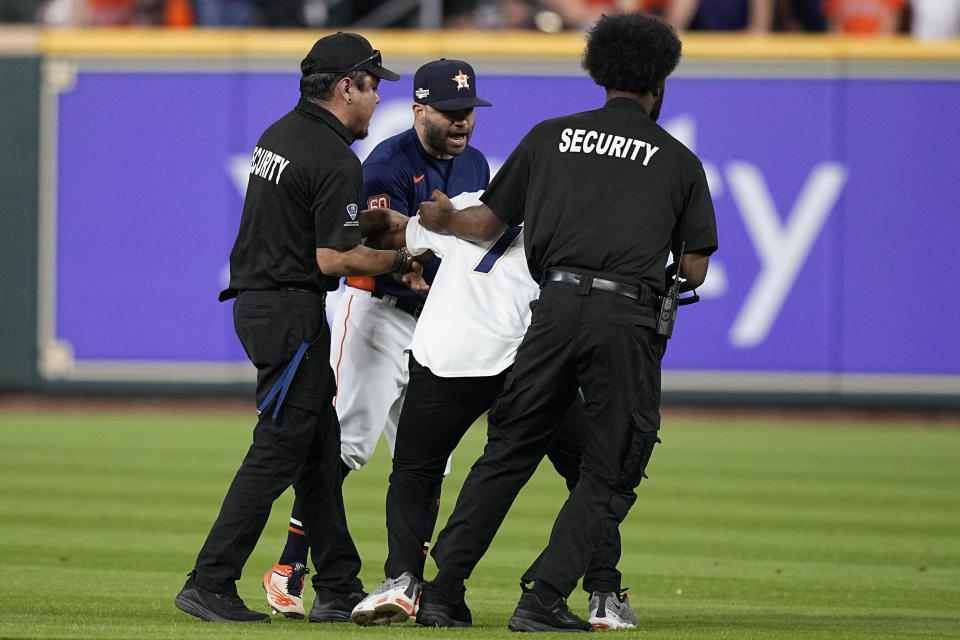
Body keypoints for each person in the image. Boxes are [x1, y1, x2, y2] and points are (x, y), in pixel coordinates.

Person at [416, 12, 718, 632]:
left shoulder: (549, 136)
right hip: (624, 319)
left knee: (507, 451)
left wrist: (442, 221)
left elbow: (488, 224)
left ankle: (442, 592)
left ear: (599, 73)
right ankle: (545, 595)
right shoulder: (680, 161)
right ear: (658, 83)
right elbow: (694, 269)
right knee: (611, 466)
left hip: (550, 310)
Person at [173, 32, 414, 624]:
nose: (378, 96)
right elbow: (335, 259)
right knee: (279, 449)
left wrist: (372, 225)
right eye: (372, 84)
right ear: (345, 87)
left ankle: (336, 585)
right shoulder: (334, 157)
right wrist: (406, 261)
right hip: (289, 314)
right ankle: (210, 581)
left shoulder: (280, 133)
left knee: (318, 450)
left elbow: (312, 226)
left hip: (264, 304)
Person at [261, 58, 492, 619]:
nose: (462, 123)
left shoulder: (477, 165)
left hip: (436, 320)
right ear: (419, 110)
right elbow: (364, 249)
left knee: (429, 456)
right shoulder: (387, 164)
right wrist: (412, 266)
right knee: (349, 444)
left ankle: (406, 580)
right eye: (450, 112)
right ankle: (291, 567)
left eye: (468, 113)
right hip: (375, 311)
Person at [348, 192, 637, 630]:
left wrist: (368, 220)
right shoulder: (571, 222)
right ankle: (602, 591)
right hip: (518, 360)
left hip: (442, 353)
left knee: (414, 471)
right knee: (594, 473)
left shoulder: (467, 203)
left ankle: (404, 581)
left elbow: (396, 233)